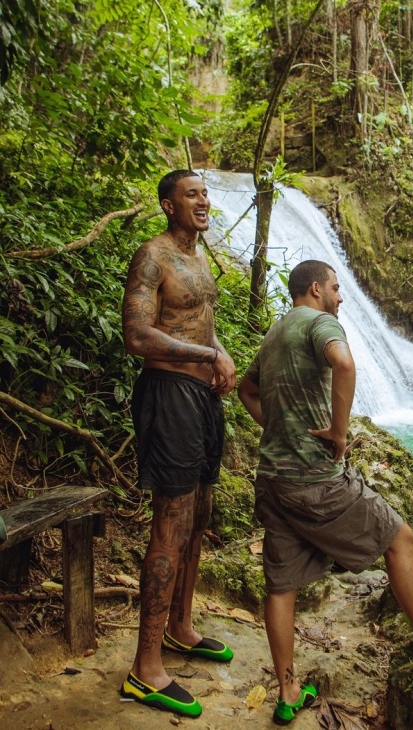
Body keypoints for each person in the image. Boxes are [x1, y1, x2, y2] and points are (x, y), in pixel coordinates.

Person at [238, 260, 413, 724]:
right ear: (316, 289)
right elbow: (344, 363)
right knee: (400, 539)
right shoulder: (320, 323)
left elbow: (245, 390)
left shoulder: (276, 332)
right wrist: (338, 431)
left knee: (282, 585)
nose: (341, 295)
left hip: (273, 480)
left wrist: (277, 428)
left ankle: (289, 691)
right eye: (336, 287)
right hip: (315, 481)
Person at [120, 169, 237, 719]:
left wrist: (220, 351)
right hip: (168, 395)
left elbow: (198, 323)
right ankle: (145, 669)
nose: (203, 201)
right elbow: (138, 336)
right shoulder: (154, 255)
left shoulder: (199, 256)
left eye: (205, 194)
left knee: (200, 513)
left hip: (202, 398)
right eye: (192, 195)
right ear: (169, 205)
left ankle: (181, 627)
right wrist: (205, 357)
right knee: (170, 520)